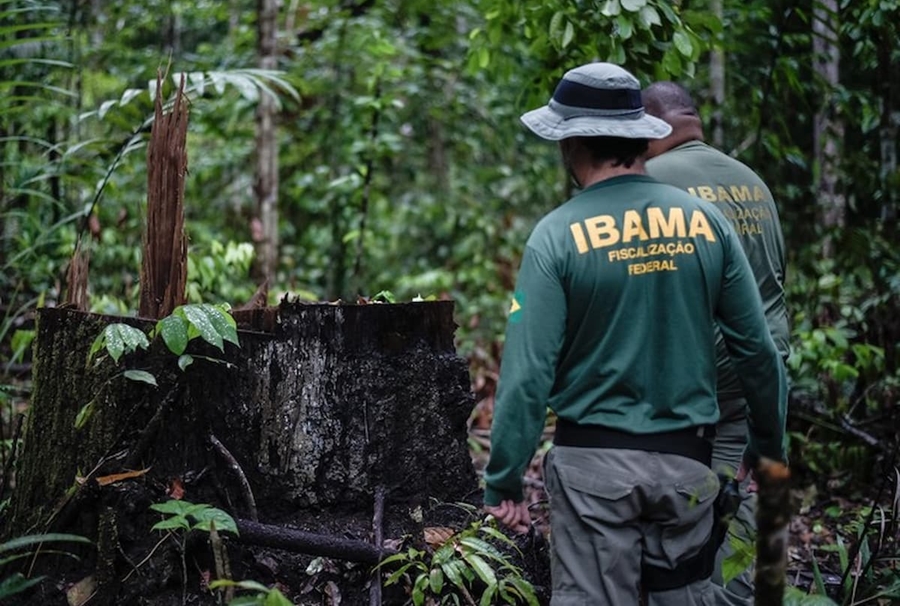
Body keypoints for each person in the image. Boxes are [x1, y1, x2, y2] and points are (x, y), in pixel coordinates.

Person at [481, 62, 788, 606]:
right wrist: (767, 446)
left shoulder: (555, 237)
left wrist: (504, 481)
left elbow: (528, 374)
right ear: (639, 139)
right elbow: (758, 351)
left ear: (571, 143)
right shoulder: (706, 223)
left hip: (590, 476)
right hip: (689, 468)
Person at [642, 81, 790, 605]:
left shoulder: (650, 182)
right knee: (744, 499)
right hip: (760, 375)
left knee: (676, 532)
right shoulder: (752, 181)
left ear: (650, 126)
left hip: (694, 381)